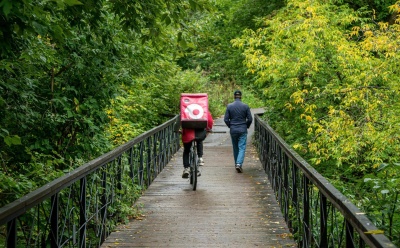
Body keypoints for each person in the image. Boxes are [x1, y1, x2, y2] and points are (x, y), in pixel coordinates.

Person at [224, 90, 252, 173]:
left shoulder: (229, 106)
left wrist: (230, 125)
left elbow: (226, 119)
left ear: (234, 96)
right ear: (241, 96)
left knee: (235, 147)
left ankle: (237, 163)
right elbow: (250, 119)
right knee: (242, 147)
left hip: (233, 129)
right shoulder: (245, 106)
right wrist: (246, 125)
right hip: (242, 129)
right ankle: (239, 164)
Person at [181, 111, 214, 178]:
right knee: (199, 141)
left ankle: (186, 168)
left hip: (187, 133)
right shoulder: (202, 108)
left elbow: (180, 120)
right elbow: (209, 120)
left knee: (186, 151)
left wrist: (176, 129)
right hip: (200, 133)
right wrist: (209, 129)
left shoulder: (185, 108)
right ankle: (200, 158)